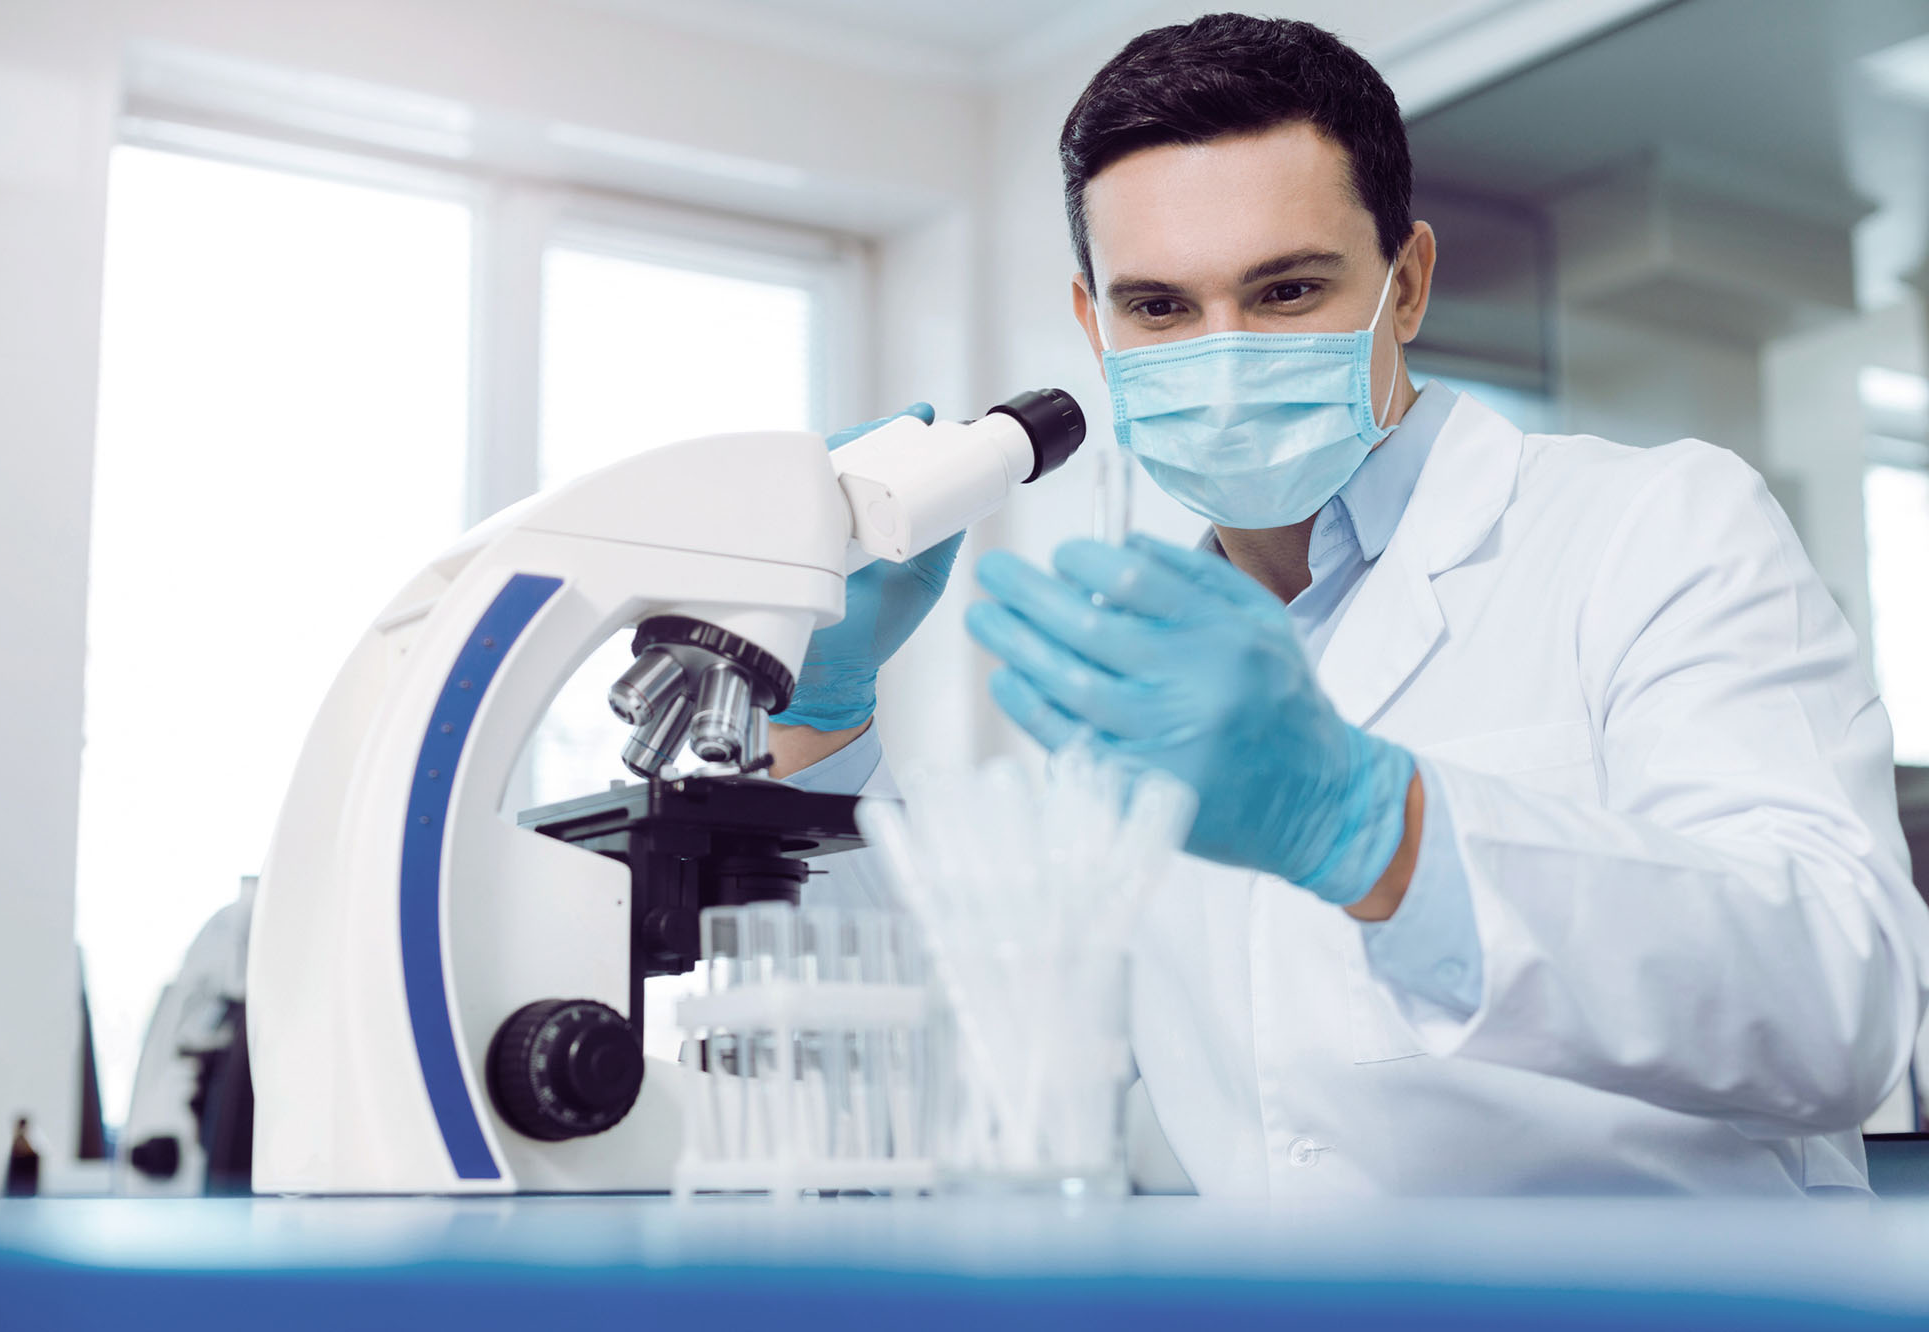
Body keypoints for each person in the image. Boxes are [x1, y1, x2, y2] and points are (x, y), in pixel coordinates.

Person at [770, 13, 1929, 1196]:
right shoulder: (1134, 668)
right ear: (1094, 327)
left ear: (1407, 283)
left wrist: (1374, 824)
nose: (1219, 356)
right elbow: (976, 1077)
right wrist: (814, 724)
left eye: (1282, 291)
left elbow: (1840, 1001)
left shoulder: (1653, 531)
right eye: (1159, 308)